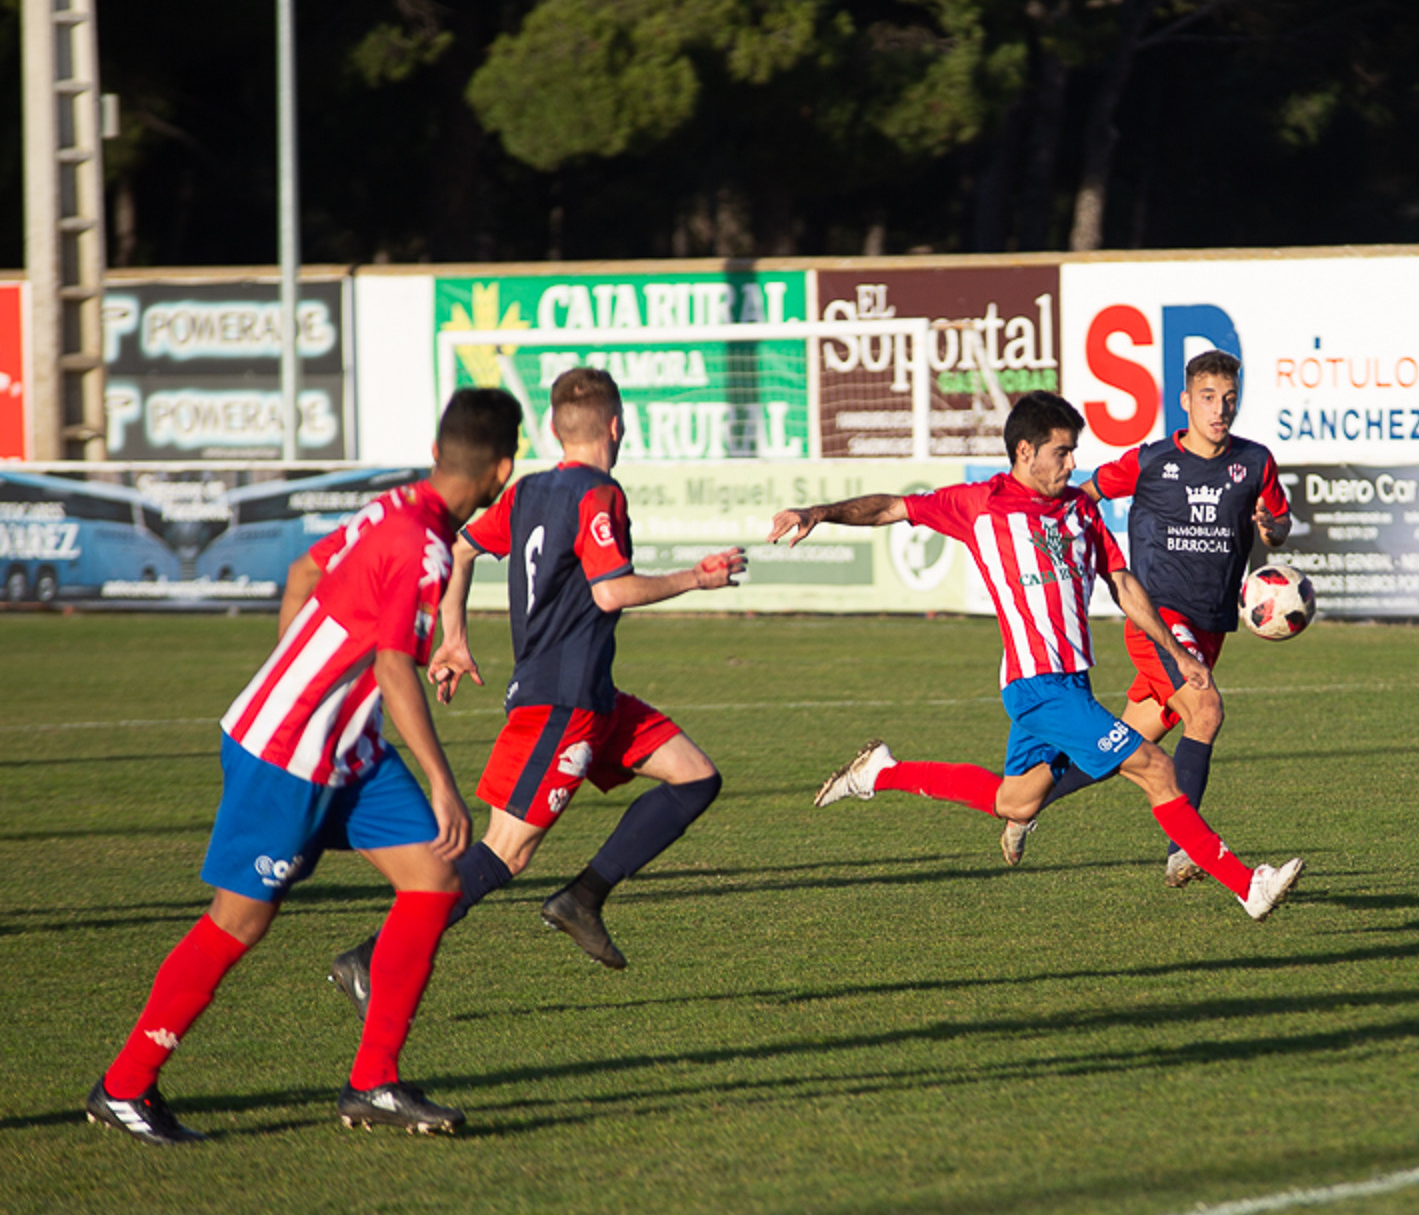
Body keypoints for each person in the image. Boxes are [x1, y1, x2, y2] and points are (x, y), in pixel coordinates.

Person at [86, 388, 523, 1144]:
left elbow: (300, 572)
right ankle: (124, 1087)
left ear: (437, 452)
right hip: (287, 755)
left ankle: (374, 1083)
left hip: (349, 751)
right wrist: (445, 785)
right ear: (503, 471)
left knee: (432, 880)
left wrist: (295, 669)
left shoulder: (392, 508)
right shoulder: (423, 546)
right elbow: (394, 668)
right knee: (241, 920)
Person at [768, 390, 1302, 920]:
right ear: (1026, 452)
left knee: (1017, 801)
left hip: (1073, 683)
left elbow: (1122, 584)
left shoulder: (1081, 511)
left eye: (1073, 452)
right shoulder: (980, 505)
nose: (1072, 465)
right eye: (1062, 452)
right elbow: (890, 507)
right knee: (1156, 768)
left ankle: (879, 773)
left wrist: (1177, 654)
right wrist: (819, 512)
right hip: (1034, 688)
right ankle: (1245, 885)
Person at [328, 367, 744, 1015]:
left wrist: (453, 635)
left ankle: (583, 898)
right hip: (561, 704)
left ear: (553, 429)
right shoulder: (599, 495)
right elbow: (611, 591)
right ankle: (372, 960)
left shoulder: (527, 492)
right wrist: (697, 579)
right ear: (616, 426)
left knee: (694, 776)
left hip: (594, 697)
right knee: (504, 852)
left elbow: (462, 550)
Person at [1006, 349, 1292, 886]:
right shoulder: (1152, 461)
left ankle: (1028, 799)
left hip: (1210, 625)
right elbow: (1083, 494)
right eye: (1208, 398)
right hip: (1158, 619)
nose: (1220, 409)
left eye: (1229, 399)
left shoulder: (1254, 462)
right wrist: (1051, 540)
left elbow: (1279, 524)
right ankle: (1186, 849)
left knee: (1119, 747)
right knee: (1205, 711)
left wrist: (1272, 527)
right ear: (1186, 401)